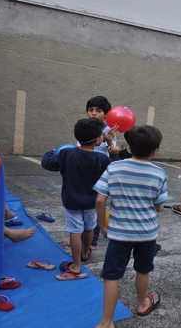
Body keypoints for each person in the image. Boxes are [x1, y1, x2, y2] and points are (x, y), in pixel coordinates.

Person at [93, 125, 168, 327]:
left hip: (119, 233)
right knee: (143, 270)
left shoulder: (114, 167)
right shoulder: (159, 174)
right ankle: (143, 303)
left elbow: (100, 201)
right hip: (147, 233)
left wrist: (102, 225)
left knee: (111, 275)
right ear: (155, 151)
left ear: (130, 148)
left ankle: (106, 322)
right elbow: (159, 205)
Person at [41, 118, 111, 280]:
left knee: (75, 230)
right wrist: (112, 151)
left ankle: (76, 265)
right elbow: (113, 172)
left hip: (72, 201)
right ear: (98, 140)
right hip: (92, 202)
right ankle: (86, 251)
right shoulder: (101, 158)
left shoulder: (66, 153)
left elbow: (47, 163)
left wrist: (50, 152)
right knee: (89, 228)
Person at [81, 96, 120, 250]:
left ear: (106, 115)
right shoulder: (84, 127)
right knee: (82, 206)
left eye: (98, 110)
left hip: (100, 174)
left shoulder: (108, 131)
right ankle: (80, 237)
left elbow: (112, 150)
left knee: (95, 207)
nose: (93, 113)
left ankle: (93, 241)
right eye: (90, 110)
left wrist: (109, 141)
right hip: (85, 171)